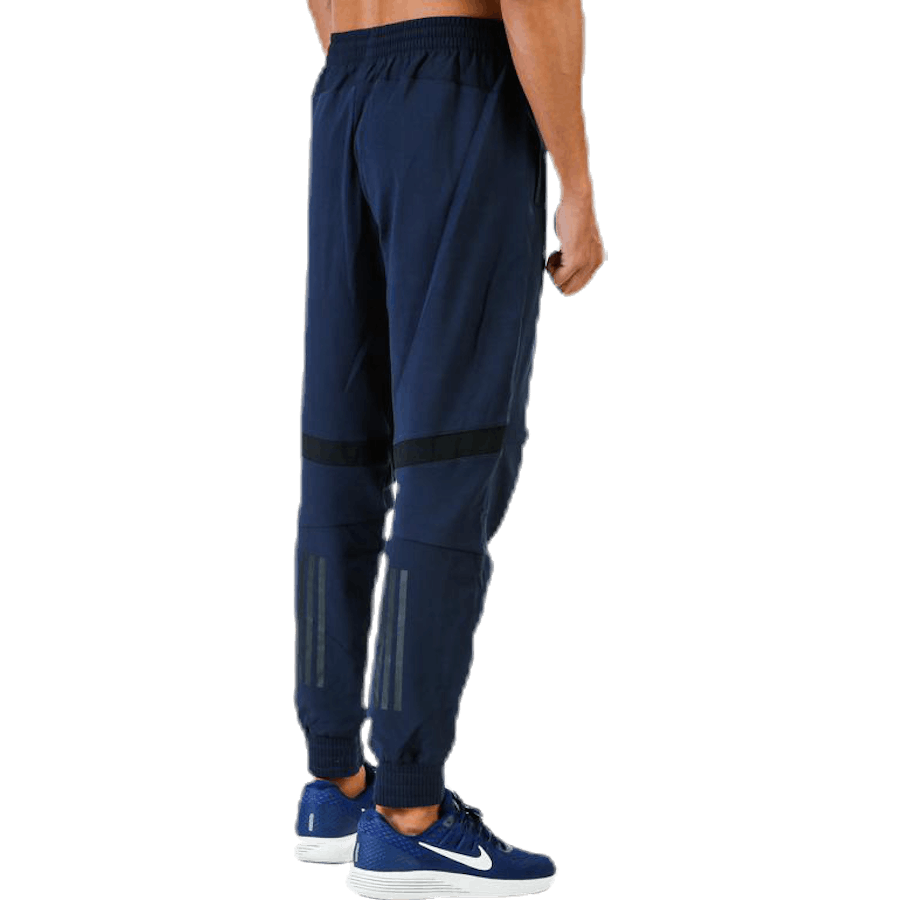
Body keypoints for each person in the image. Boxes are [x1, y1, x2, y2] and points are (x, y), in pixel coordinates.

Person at [292, 2, 606, 896]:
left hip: (348, 85)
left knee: (342, 449)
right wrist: (576, 183)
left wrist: (378, 73)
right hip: (456, 89)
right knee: (452, 452)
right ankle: (409, 812)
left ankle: (335, 779)